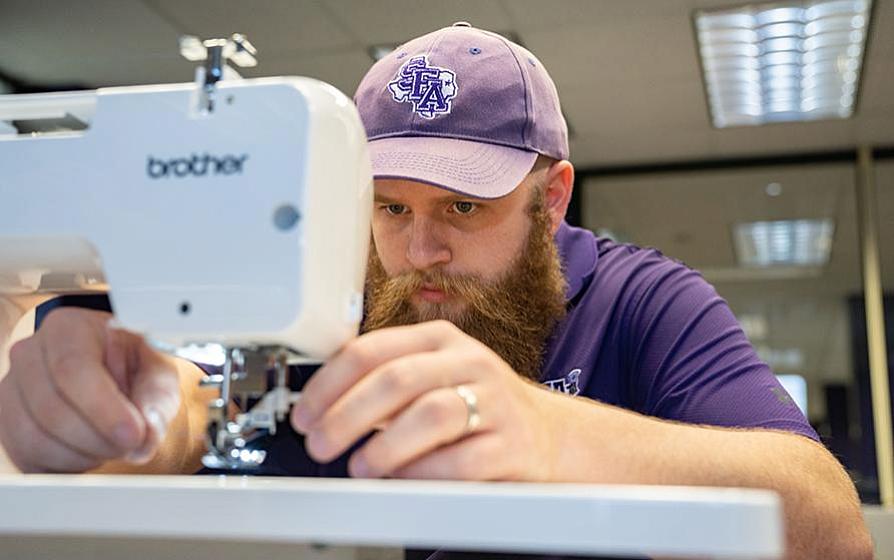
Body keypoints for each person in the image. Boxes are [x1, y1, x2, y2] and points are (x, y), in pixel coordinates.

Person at [0, 23, 872, 559]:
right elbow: (207, 414)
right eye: (390, 207)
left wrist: (551, 433)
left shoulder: (644, 303)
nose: (420, 251)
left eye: (463, 206)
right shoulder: (340, 299)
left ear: (551, 198)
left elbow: (833, 531)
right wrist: (134, 423)